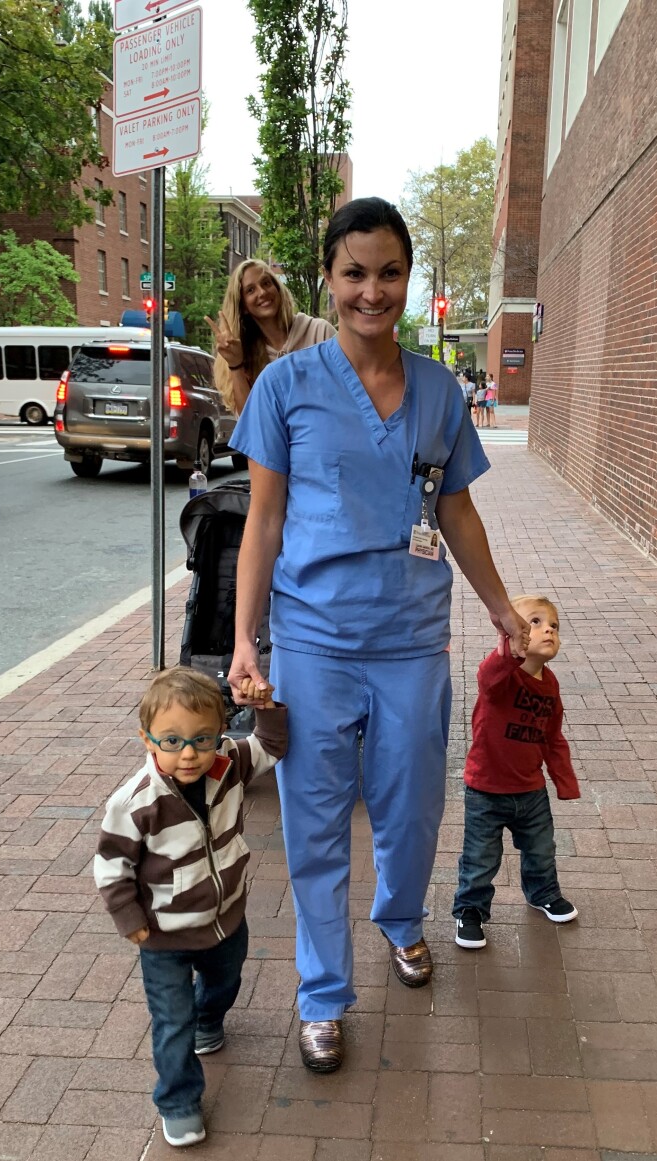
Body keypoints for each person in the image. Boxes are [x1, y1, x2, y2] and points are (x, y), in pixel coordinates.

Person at [226, 196, 529, 1075]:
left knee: (410, 805)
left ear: (407, 276)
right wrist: (249, 641)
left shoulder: (438, 390)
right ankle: (322, 992)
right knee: (314, 822)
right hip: (315, 644)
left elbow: (458, 510)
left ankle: (401, 920)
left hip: (410, 643)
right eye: (354, 272)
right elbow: (264, 520)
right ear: (327, 276)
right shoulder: (287, 385)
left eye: (389, 272)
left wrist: (506, 611)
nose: (372, 290)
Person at [93, 667, 288, 1148]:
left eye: (203, 739)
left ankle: (210, 1017)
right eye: (173, 740)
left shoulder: (228, 763)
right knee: (170, 1021)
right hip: (163, 936)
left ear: (221, 734)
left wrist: (266, 708)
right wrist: (131, 921)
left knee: (226, 981)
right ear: (147, 738)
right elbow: (112, 865)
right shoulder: (136, 801)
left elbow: (273, 746)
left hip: (226, 920)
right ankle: (178, 1101)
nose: (189, 753)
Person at [453, 594, 580, 951]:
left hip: (530, 789)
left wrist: (563, 780)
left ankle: (544, 894)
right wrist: (505, 647)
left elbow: (552, 737)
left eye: (554, 625)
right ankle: (470, 911)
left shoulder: (550, 685)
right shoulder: (501, 678)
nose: (548, 631)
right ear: (515, 635)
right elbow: (487, 676)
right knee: (480, 857)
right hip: (486, 789)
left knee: (541, 849)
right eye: (535, 623)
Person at [206, 259, 335, 416]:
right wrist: (235, 365)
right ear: (243, 306)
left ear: (277, 288)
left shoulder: (319, 333)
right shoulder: (247, 356)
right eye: (250, 290)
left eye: (266, 283)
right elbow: (250, 425)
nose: (262, 292)